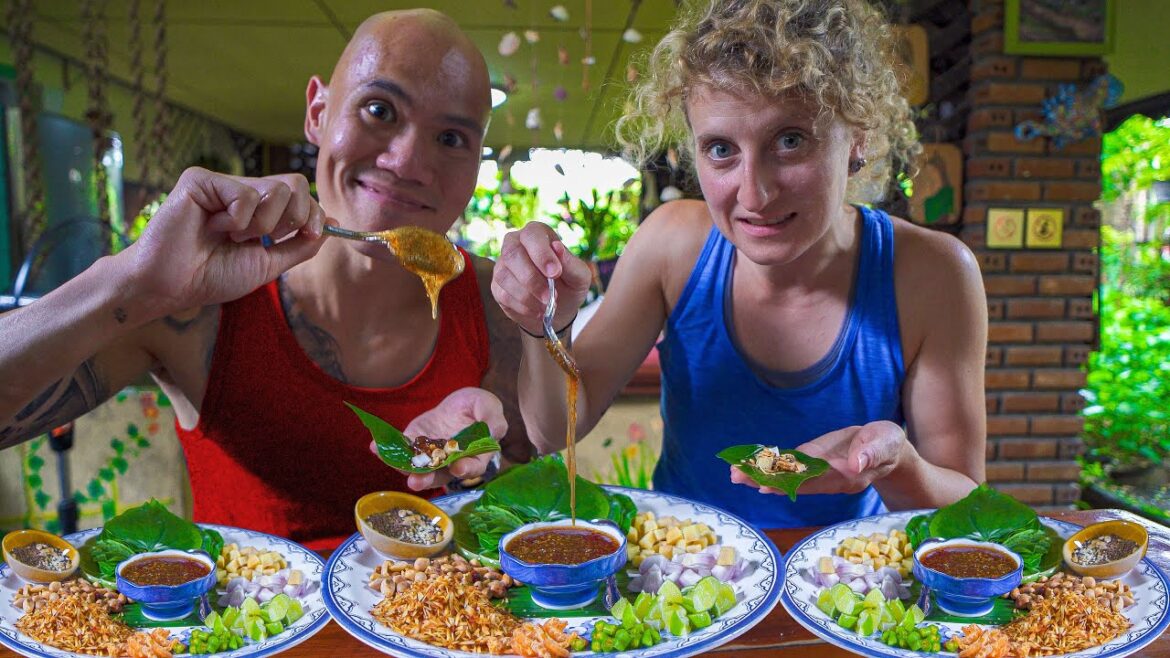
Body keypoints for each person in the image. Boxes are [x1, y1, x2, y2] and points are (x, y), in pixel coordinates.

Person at [0, 9, 528, 549]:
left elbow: (518, 487)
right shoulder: (200, 297)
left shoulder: (498, 301)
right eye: (379, 110)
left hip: (438, 603)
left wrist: (474, 468)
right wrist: (134, 283)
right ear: (318, 113)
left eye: (451, 138)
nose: (407, 162)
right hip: (248, 604)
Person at [491, 0, 987, 529]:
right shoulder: (672, 246)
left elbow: (965, 511)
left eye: (790, 141)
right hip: (684, 565)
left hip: (849, 569)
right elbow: (554, 431)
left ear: (857, 137)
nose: (754, 194)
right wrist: (544, 325)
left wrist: (897, 464)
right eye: (721, 150)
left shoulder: (932, 274)